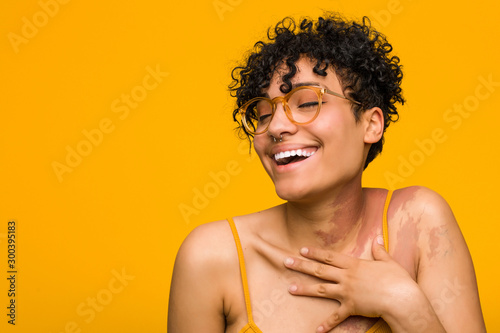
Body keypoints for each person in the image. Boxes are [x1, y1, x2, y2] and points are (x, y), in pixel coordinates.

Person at [168, 12, 486, 333]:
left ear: (371, 124)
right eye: (263, 113)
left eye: (306, 103)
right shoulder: (210, 258)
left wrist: (402, 301)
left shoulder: (418, 223)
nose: (276, 127)